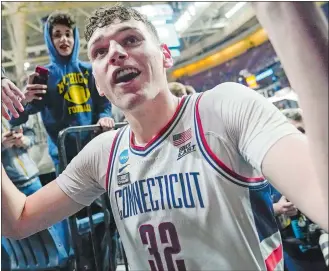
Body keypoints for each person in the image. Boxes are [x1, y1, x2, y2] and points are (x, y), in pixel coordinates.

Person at [2, 5, 328, 271]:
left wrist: (283, 9)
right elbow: (17, 221)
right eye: (100, 51)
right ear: (98, 85)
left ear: (165, 56)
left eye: (130, 40)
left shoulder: (225, 108)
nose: (114, 52)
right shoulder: (103, 152)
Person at [10, 11, 115, 174]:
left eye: (68, 34)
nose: (64, 39)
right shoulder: (44, 76)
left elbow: (103, 103)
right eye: (57, 35)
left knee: (106, 197)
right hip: (64, 157)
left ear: (75, 38)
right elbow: (16, 120)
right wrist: (24, 100)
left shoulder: (89, 70)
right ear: (50, 41)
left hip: (96, 150)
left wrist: (105, 117)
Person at [2, 118, 42, 196]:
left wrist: (24, 140)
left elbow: (30, 134)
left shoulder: (11, 110)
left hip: (33, 178)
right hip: (8, 187)